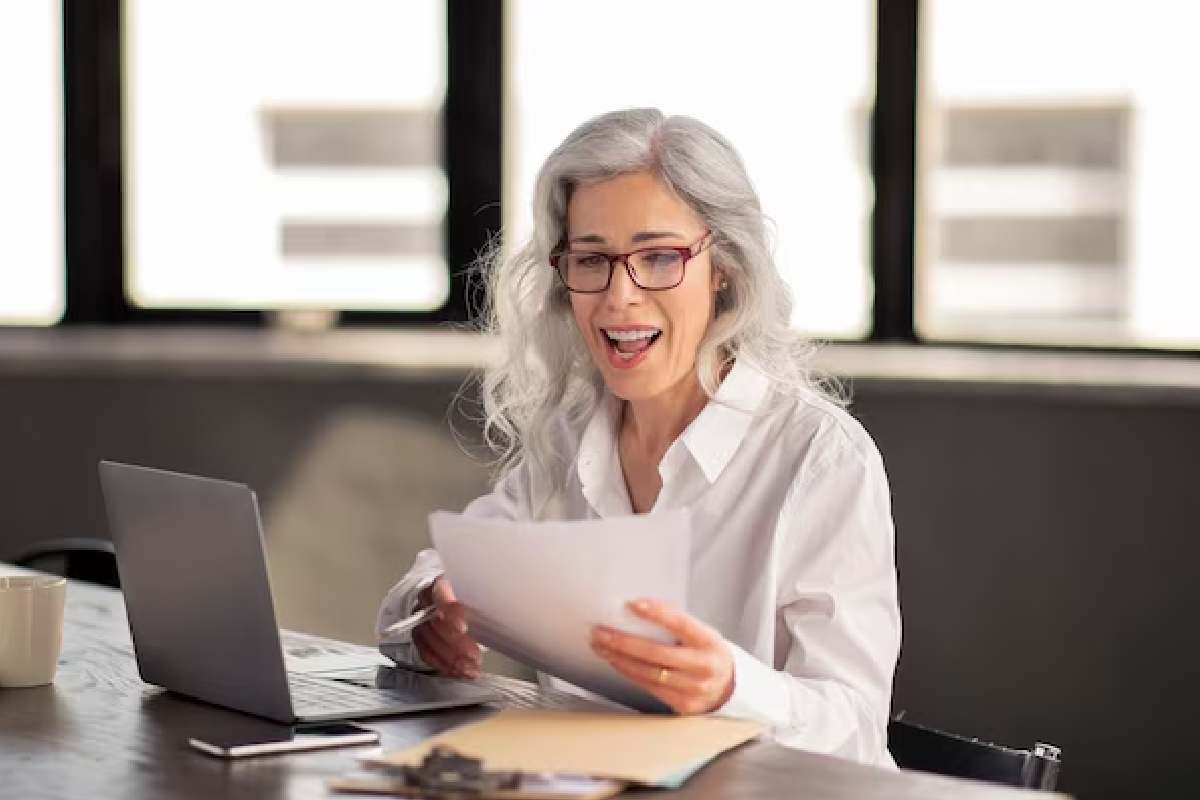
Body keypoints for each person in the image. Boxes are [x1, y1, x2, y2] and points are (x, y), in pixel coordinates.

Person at [377, 108, 901, 766]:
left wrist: (733, 687)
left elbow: (855, 724)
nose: (620, 297)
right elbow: (440, 574)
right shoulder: (568, 441)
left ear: (725, 269)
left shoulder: (820, 458)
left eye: (658, 257)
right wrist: (429, 615)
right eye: (592, 260)